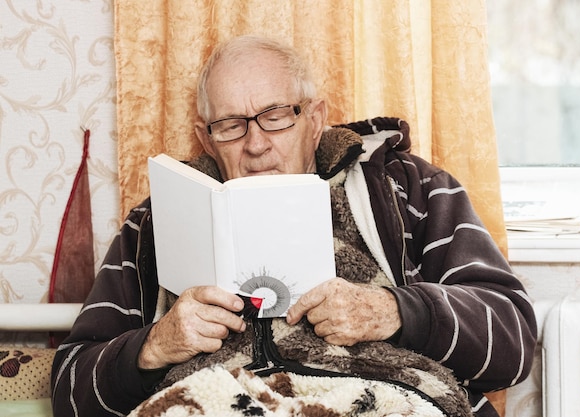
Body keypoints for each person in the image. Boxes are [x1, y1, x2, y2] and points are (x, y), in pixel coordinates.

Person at [51, 35, 537, 417]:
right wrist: (152, 347)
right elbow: (70, 390)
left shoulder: (409, 187)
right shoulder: (153, 221)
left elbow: (513, 340)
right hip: (209, 401)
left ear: (316, 118)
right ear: (207, 137)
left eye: (276, 116)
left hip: (384, 397)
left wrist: (396, 311)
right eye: (231, 125)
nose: (256, 144)